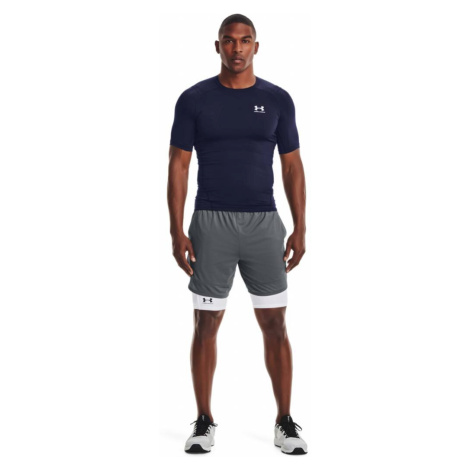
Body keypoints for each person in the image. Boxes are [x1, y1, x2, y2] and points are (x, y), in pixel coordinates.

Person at [167, 14, 307, 455]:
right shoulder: (194, 99)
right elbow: (178, 164)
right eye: (229, 41)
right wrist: (175, 228)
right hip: (210, 222)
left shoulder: (277, 100)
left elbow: (291, 165)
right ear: (218, 46)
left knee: (275, 323)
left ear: (256, 47)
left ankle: (285, 422)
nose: (237, 48)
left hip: (264, 223)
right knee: (206, 323)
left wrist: (301, 225)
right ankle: (204, 420)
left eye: (245, 41)